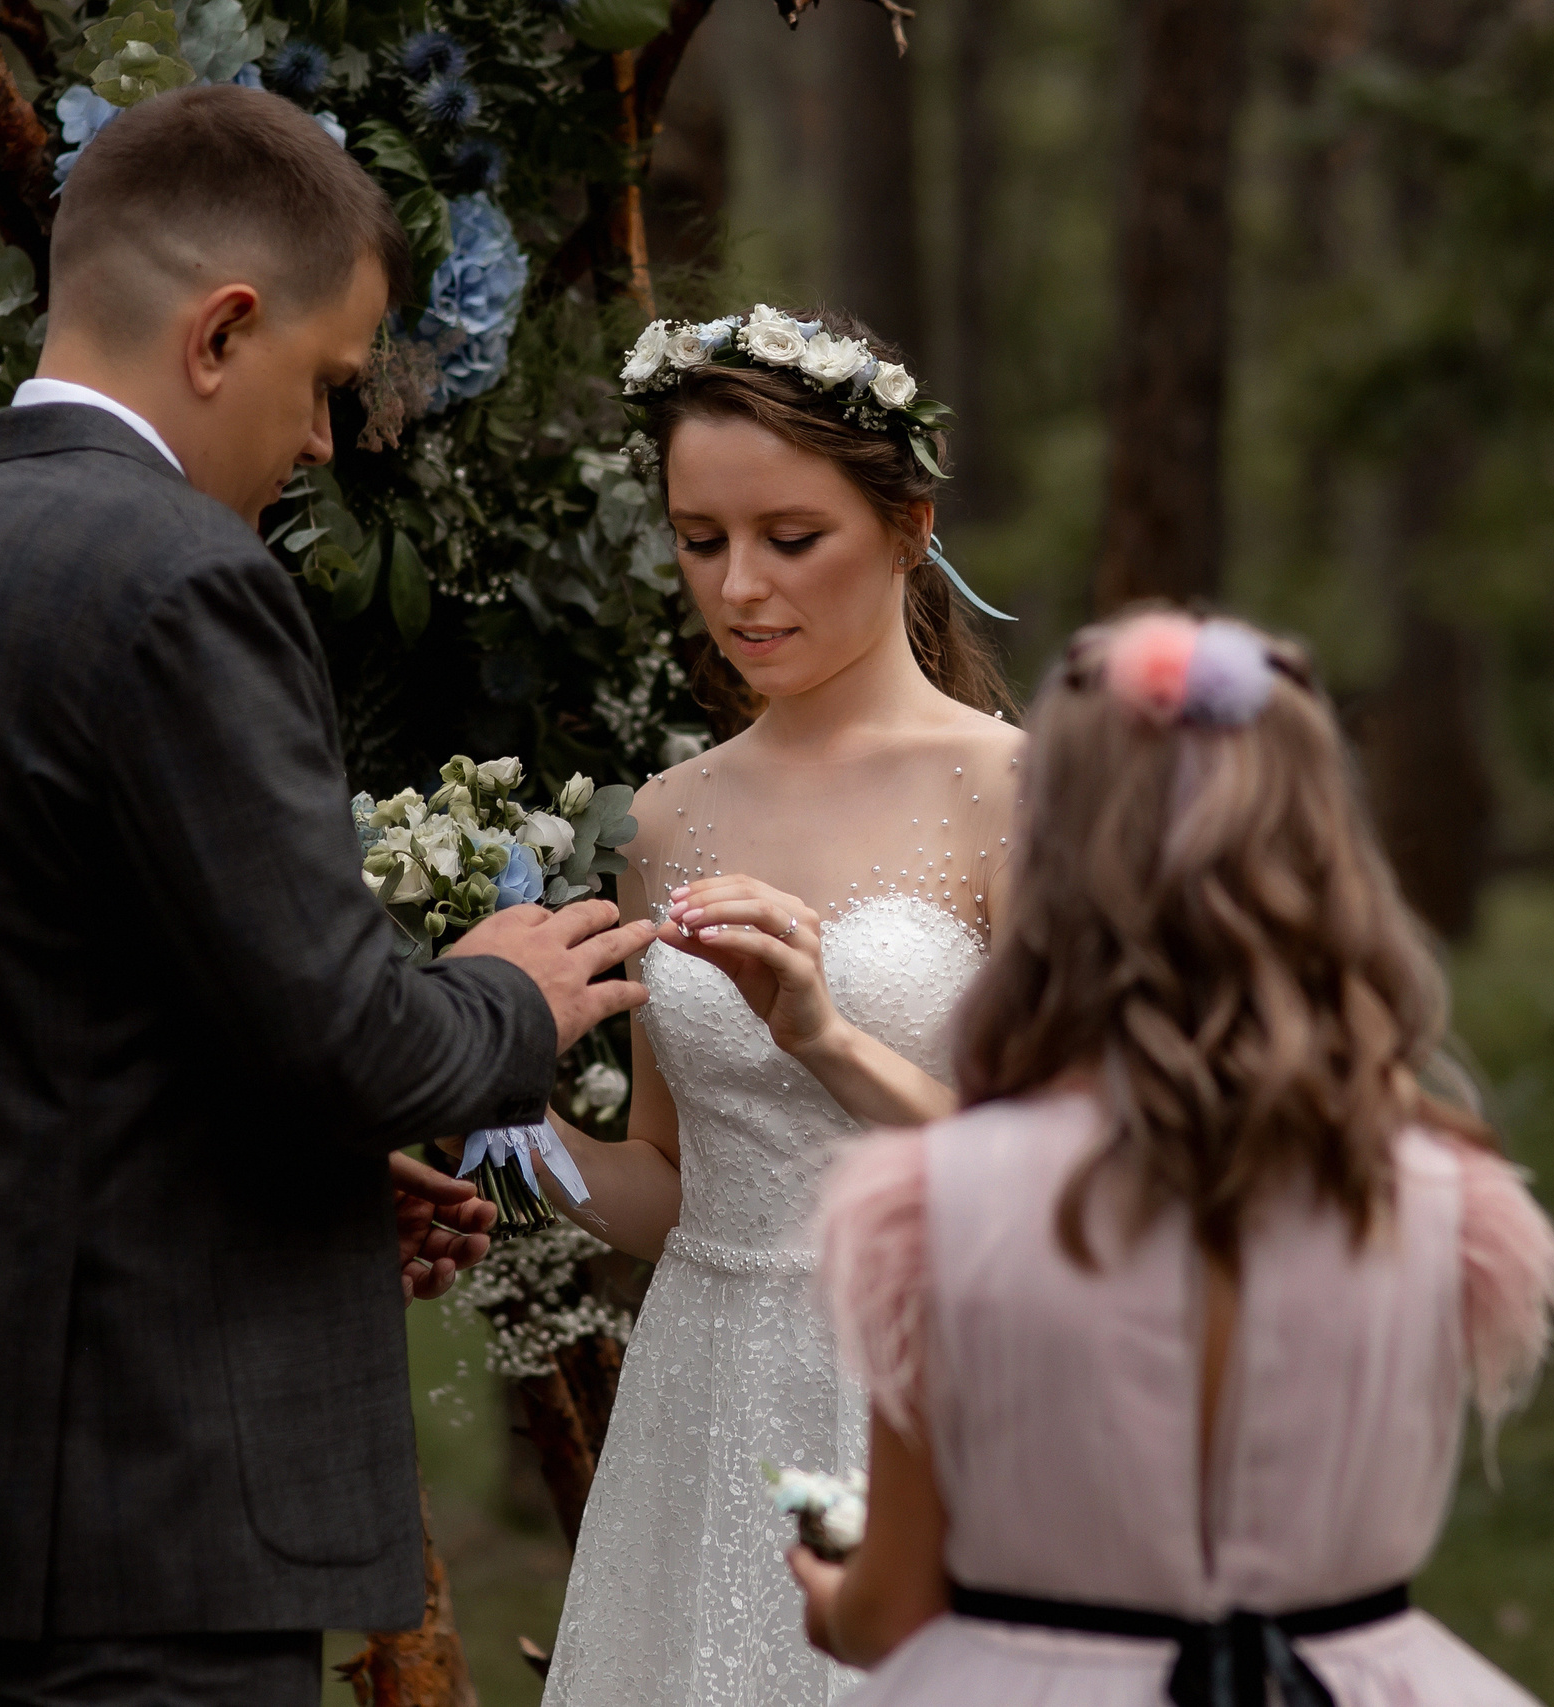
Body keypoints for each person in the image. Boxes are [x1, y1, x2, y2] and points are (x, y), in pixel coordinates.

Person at [0, 84, 657, 1707]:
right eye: (323, 384)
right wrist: (505, 997)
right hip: (154, 1511)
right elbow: (354, 1032)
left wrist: (301, 1172)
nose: (324, 441)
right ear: (222, 331)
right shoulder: (184, 582)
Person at [786, 610, 1554, 1707]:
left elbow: (893, 1608)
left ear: (1052, 855)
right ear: (1320, 846)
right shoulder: (1442, 1197)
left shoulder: (936, 1204)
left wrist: (836, 1601)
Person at [527, 307, 1025, 1707]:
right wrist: (506, 1117)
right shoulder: (671, 815)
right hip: (704, 1394)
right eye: (701, 538)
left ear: (910, 524)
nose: (740, 586)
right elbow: (670, 1187)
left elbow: (1057, 1175)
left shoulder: (1016, 792)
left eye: (790, 537)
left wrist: (827, 1034)